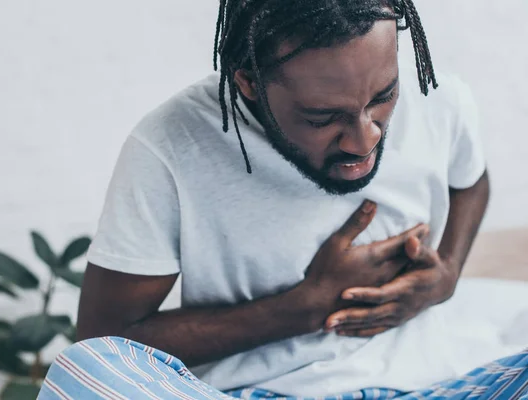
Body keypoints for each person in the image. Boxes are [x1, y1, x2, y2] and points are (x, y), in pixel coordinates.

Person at [38, 0, 528, 399]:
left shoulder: (436, 96)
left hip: (440, 386)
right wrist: (304, 306)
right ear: (248, 82)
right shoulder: (172, 144)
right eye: (322, 118)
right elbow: (104, 345)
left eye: (384, 96)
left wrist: (447, 273)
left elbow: (471, 180)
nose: (364, 139)